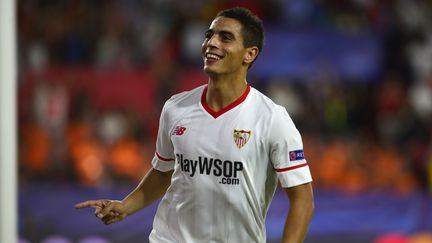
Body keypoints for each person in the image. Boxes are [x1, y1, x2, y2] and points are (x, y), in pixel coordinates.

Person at [75, 7, 314, 243]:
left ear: (249, 54)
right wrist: (125, 206)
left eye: (225, 37)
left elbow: (302, 199)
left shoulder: (272, 119)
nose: (211, 43)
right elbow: (163, 171)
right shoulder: (175, 108)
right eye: (209, 35)